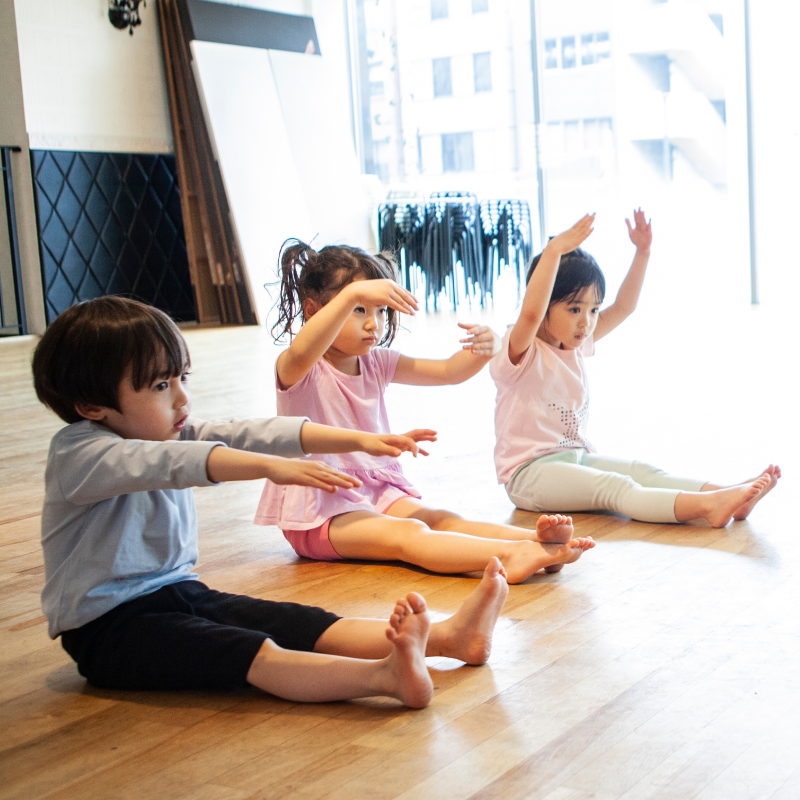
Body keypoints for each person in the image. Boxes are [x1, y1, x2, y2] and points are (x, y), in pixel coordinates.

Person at [32, 296, 513, 708]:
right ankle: (382, 678)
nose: (182, 400)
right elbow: (177, 463)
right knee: (249, 650)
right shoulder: (81, 454)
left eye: (182, 378)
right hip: (108, 631)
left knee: (295, 622)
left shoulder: (165, 430)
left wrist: (361, 440)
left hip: (177, 592)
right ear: (92, 406)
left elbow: (254, 432)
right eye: (161, 386)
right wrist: (272, 468)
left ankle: (451, 638)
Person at [255, 241, 595, 583]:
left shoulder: (375, 362)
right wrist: (353, 293)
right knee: (408, 535)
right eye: (358, 309)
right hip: (317, 510)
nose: (374, 324)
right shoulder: (298, 367)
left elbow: (448, 371)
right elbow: (301, 351)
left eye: (380, 311)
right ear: (313, 310)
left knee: (439, 518)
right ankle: (511, 557)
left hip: (374, 489)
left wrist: (487, 347)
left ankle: (536, 543)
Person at [490, 210, 779, 527]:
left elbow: (624, 307)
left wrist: (643, 253)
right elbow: (531, 315)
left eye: (593, 309)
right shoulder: (520, 349)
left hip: (575, 457)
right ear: (546, 300)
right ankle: (708, 506)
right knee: (616, 487)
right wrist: (554, 250)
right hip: (528, 475)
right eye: (574, 309)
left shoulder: (573, 343)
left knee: (642, 472)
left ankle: (726, 493)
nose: (586, 322)